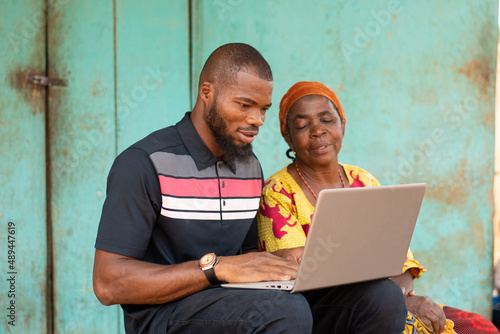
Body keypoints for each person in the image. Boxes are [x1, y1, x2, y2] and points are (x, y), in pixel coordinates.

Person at [92, 43, 406, 334]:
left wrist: (291, 257)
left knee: (380, 297)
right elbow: (108, 284)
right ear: (207, 92)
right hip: (165, 316)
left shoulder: (247, 167)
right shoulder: (144, 163)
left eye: (263, 108)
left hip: (234, 302)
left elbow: (246, 257)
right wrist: (216, 268)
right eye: (244, 105)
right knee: (286, 311)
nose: (256, 120)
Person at [256, 81, 500, 334]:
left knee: (478, 327)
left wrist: (405, 297)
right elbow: (296, 275)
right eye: (302, 125)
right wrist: (398, 299)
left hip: (387, 298)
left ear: (343, 123)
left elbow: (398, 257)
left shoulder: (364, 180)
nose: (317, 131)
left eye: (327, 120)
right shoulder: (276, 192)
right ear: (288, 136)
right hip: (325, 310)